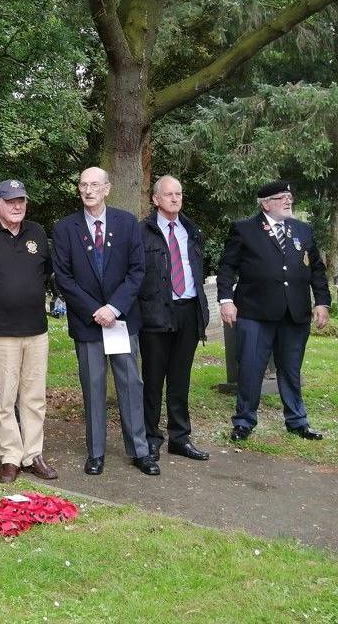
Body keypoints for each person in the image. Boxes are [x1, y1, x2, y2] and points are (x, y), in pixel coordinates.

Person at [51, 167, 158, 477]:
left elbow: (137, 271)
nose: (88, 190)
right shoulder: (65, 228)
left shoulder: (127, 223)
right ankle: (96, 452)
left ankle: (139, 450)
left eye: (95, 184)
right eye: (83, 184)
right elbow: (64, 278)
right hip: (88, 323)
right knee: (94, 387)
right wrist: (94, 310)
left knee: (130, 384)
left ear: (107, 189)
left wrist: (113, 307)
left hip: (121, 320)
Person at [217, 180, 329, 442]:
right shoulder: (245, 229)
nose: (288, 201)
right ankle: (244, 421)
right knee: (251, 369)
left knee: (290, 370)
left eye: (290, 196)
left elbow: (317, 270)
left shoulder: (302, 230)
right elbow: (226, 267)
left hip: (294, 314)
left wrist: (322, 302)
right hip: (256, 313)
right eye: (281, 198)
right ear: (266, 203)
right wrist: (226, 300)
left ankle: (297, 421)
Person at [0, 179, 56, 483]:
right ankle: (10, 456)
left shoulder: (37, 232)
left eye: (21, 200)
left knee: (34, 397)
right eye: (10, 201)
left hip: (36, 331)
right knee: (5, 399)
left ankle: (33, 455)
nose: (17, 206)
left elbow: (45, 272)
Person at [138, 176, 211, 462]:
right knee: (154, 379)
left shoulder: (191, 230)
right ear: (156, 199)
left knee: (181, 378)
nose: (175, 198)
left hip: (188, 310)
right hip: (155, 313)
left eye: (179, 193)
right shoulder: (141, 231)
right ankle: (151, 437)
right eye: (168, 194)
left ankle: (179, 437)